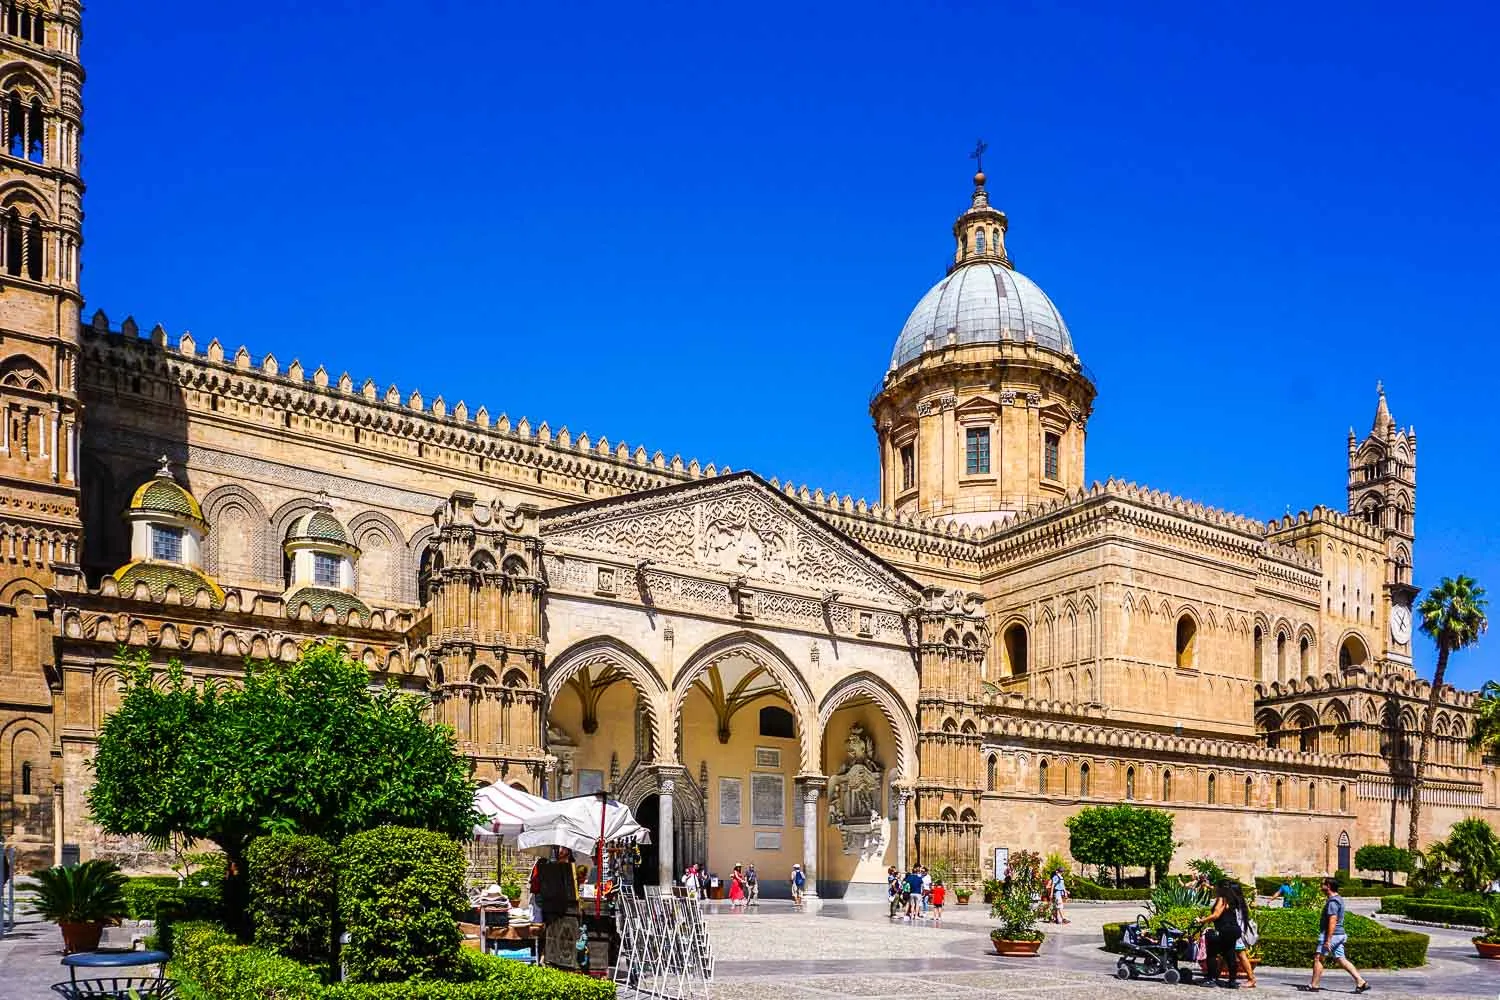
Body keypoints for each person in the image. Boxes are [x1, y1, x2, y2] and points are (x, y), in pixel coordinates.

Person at [1308, 877, 1370, 993]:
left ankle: (1314, 985)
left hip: (1332, 935)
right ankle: (1361, 982)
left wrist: (1328, 940)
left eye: (1322, 884)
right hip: (1339, 934)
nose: (1321, 886)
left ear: (1328, 886)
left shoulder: (1333, 902)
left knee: (1319, 958)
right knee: (1341, 959)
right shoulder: (1338, 899)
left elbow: (1333, 920)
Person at [1196, 879, 1241, 988]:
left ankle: (1211, 978)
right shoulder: (1233, 899)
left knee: (1212, 952)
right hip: (1234, 929)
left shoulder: (1222, 899)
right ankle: (1232, 981)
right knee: (1230, 953)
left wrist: (1201, 920)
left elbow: (1216, 915)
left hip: (1224, 929)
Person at [1228, 881, 1258, 989]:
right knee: (1228, 953)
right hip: (1238, 931)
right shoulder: (1241, 901)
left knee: (1241, 955)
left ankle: (1251, 978)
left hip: (1237, 933)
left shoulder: (1235, 903)